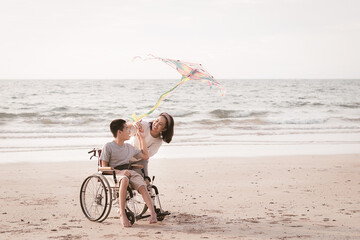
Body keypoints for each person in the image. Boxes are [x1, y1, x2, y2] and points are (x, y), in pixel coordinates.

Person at [100, 119, 157, 227]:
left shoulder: (129, 148)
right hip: (114, 174)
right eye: (126, 128)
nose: (129, 130)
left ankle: (152, 213)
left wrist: (142, 137)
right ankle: (122, 213)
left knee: (141, 183)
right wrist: (120, 172)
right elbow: (104, 168)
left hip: (128, 171)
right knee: (125, 179)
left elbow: (145, 156)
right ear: (119, 132)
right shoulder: (108, 146)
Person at [127, 112, 174, 179]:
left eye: (160, 124)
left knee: (145, 181)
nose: (156, 124)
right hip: (126, 155)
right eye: (156, 121)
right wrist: (132, 124)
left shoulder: (158, 141)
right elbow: (124, 128)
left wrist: (142, 138)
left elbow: (145, 156)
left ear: (164, 129)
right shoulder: (144, 125)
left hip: (140, 160)